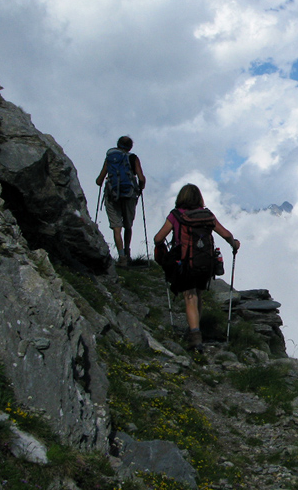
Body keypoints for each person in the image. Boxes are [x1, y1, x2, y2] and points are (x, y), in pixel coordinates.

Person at [154, 183, 239, 350]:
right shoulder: (207, 215)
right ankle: (196, 330)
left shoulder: (176, 215)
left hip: (186, 263)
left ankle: (195, 336)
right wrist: (234, 244)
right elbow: (226, 234)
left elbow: (158, 238)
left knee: (189, 296)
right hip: (206, 263)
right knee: (198, 294)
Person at [96, 136, 146, 266]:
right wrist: (141, 187)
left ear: (117, 144)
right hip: (129, 195)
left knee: (116, 228)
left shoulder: (110, 158)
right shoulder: (133, 158)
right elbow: (141, 178)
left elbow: (99, 180)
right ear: (130, 147)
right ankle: (128, 253)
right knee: (128, 225)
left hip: (112, 195)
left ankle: (121, 257)